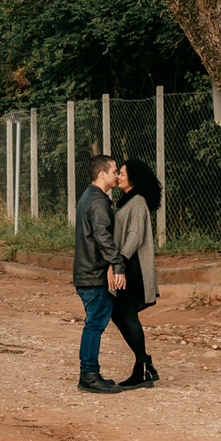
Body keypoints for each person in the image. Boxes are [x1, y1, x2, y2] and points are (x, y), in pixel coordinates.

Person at [72, 153, 126, 393]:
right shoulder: (99, 201)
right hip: (93, 274)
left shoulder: (87, 196)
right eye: (114, 171)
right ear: (102, 174)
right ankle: (89, 375)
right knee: (94, 325)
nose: (117, 176)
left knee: (93, 323)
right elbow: (102, 236)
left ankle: (90, 373)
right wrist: (118, 264)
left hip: (86, 272)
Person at [109, 157, 162, 389]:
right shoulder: (127, 201)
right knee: (118, 313)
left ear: (133, 178)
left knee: (127, 314)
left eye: (122, 173)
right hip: (126, 264)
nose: (118, 176)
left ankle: (142, 368)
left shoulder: (138, 201)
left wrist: (119, 261)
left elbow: (135, 234)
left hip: (132, 265)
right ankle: (146, 364)